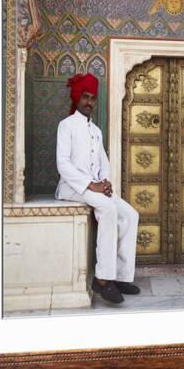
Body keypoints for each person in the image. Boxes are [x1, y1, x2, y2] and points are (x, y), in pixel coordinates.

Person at [55, 72, 140, 304]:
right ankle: (102, 280)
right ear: (77, 97)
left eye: (92, 97)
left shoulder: (96, 130)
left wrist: (105, 181)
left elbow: (104, 162)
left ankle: (121, 276)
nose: (89, 102)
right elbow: (62, 164)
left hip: (93, 188)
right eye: (85, 96)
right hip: (72, 187)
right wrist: (90, 184)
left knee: (131, 215)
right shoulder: (66, 126)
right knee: (108, 209)